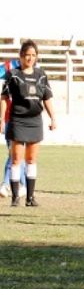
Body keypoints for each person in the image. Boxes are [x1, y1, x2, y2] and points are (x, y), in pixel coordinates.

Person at [0, 40, 56, 207]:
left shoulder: (41, 75)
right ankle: (15, 197)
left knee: (31, 159)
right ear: (21, 56)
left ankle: (30, 198)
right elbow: (4, 98)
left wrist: (53, 117)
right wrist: (2, 119)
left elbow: (47, 98)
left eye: (33, 55)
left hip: (35, 120)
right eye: (27, 55)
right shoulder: (13, 74)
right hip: (17, 120)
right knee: (16, 159)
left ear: (36, 57)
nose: (30, 58)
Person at [0, 59, 27, 199]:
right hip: (10, 118)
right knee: (15, 153)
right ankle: (16, 185)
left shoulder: (33, 71)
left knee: (17, 153)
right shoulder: (8, 68)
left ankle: (13, 185)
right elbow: (4, 97)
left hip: (25, 119)